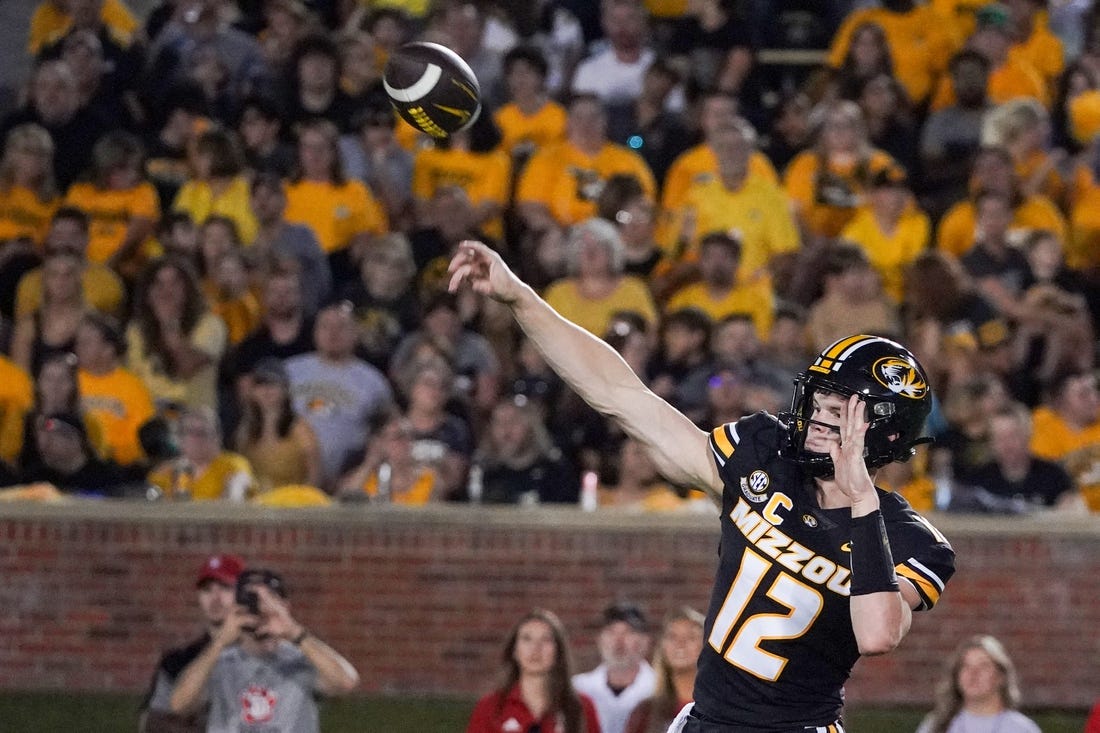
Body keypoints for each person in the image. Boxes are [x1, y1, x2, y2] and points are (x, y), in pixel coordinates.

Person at [447, 240, 957, 731]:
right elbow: (621, 394)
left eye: (838, 413)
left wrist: (862, 501)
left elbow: (876, 634)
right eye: (818, 403)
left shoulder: (910, 538)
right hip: (705, 721)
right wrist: (521, 297)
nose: (817, 419)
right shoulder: (766, 456)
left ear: (883, 432)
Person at [167, 566, 360, 732]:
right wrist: (219, 642)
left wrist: (293, 632)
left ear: (285, 606)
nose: (260, 609)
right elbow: (180, 704)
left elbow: (346, 683)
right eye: (251, 601)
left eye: (269, 600)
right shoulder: (219, 662)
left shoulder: (302, 658)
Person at [140, 553, 247, 733]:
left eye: (225, 587)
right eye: (207, 589)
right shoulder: (177, 661)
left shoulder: (266, 653)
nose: (215, 597)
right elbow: (152, 724)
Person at [466, 608, 602, 733]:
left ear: (558, 651)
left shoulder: (581, 707)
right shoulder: (490, 708)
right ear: (514, 650)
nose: (536, 648)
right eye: (527, 639)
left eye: (546, 639)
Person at [915, 634, 1040, 733]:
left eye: (983, 666)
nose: (973, 673)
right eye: (966, 666)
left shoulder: (1022, 729)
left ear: (1001, 676)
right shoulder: (936, 725)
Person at [572, 601, 656, 733]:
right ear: (599, 639)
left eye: (629, 632)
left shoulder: (659, 689)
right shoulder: (578, 689)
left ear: (645, 641)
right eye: (611, 632)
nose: (619, 641)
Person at [624, 606, 706, 733]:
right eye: (672, 636)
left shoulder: (723, 710)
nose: (680, 644)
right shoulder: (645, 712)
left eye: (691, 637)